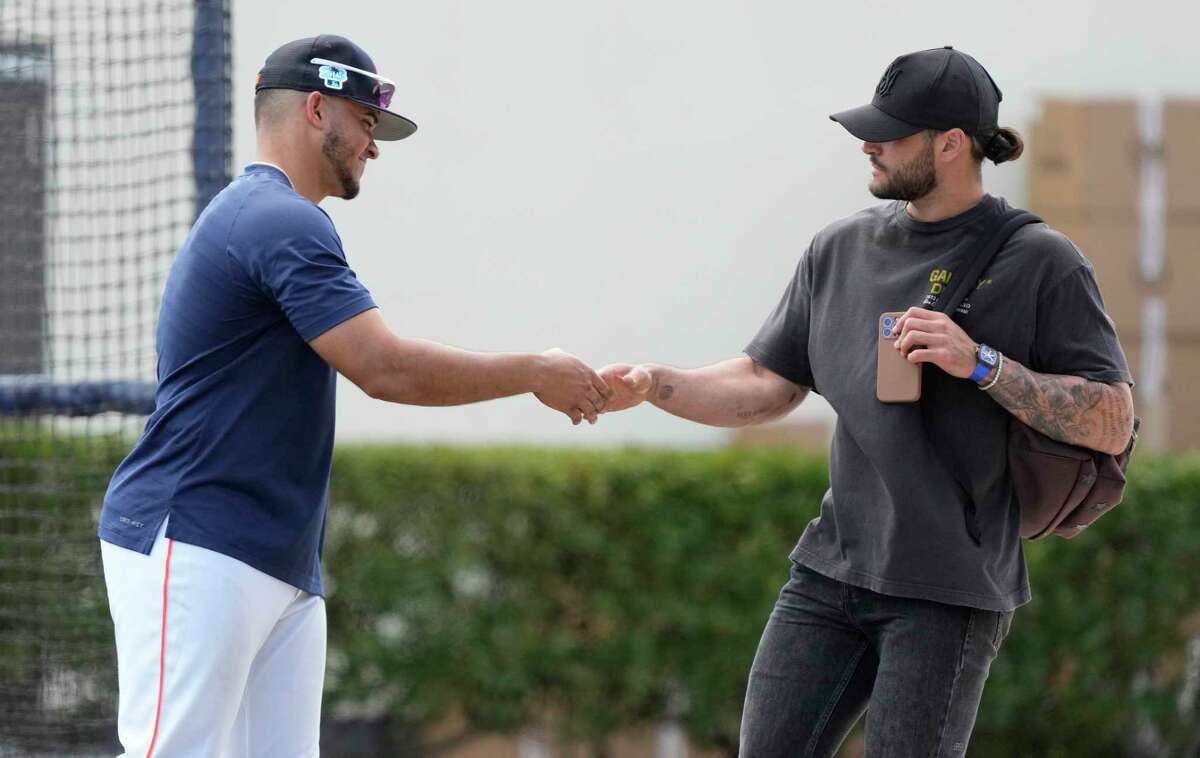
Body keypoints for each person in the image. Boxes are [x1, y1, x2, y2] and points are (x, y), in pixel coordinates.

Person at [600, 46, 1135, 756]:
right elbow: (769, 384)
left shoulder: (1043, 262)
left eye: (890, 132)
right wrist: (655, 384)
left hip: (948, 589)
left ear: (950, 144)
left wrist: (979, 363)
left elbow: (1113, 417)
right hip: (830, 570)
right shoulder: (840, 247)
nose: (867, 144)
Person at [97, 35, 611, 757]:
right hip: (196, 539)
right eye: (366, 122)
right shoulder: (276, 218)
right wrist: (533, 371)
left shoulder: (279, 218)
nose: (374, 145)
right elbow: (384, 368)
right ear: (316, 108)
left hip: (275, 562)